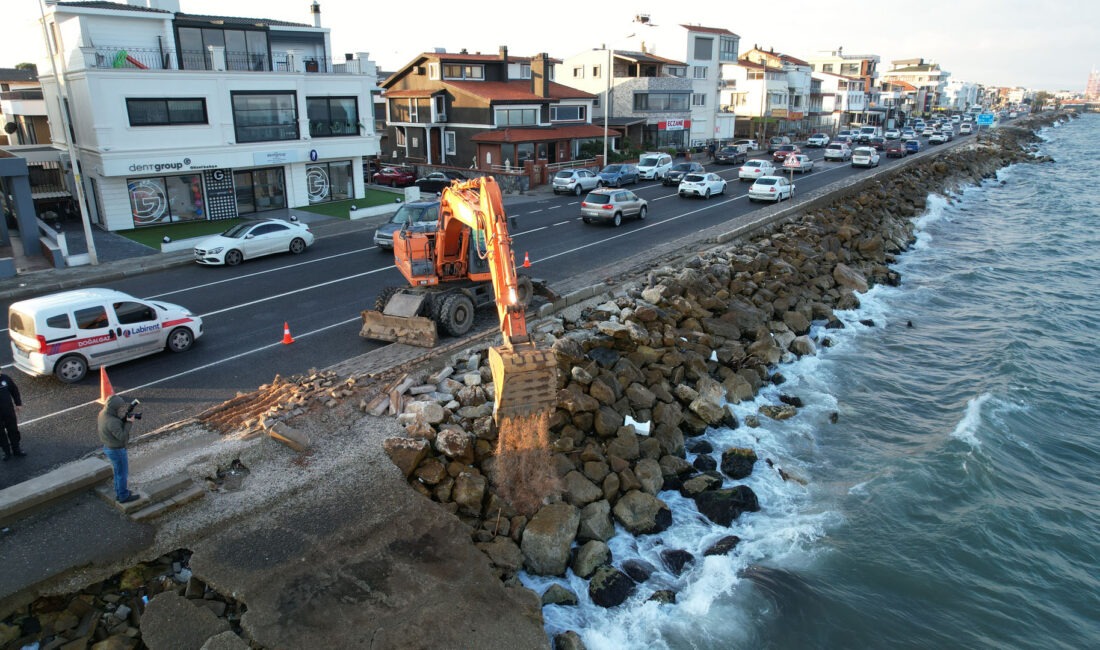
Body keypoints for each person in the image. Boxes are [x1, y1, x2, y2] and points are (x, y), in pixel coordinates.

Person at [98, 394, 139, 503]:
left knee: (117, 472)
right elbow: (122, 436)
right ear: (115, 407)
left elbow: (114, 427)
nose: (120, 409)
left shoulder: (103, 414)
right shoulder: (112, 421)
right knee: (122, 474)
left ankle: (119, 492)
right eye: (119, 407)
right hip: (117, 449)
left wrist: (123, 420)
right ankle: (123, 496)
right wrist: (129, 422)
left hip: (109, 447)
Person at [0, 372, 24, 460]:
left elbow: (14, 390)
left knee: (13, 430)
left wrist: (18, 403)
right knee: (1, 434)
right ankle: (6, 452)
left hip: (8, 411)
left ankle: (16, 450)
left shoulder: (5, 378)